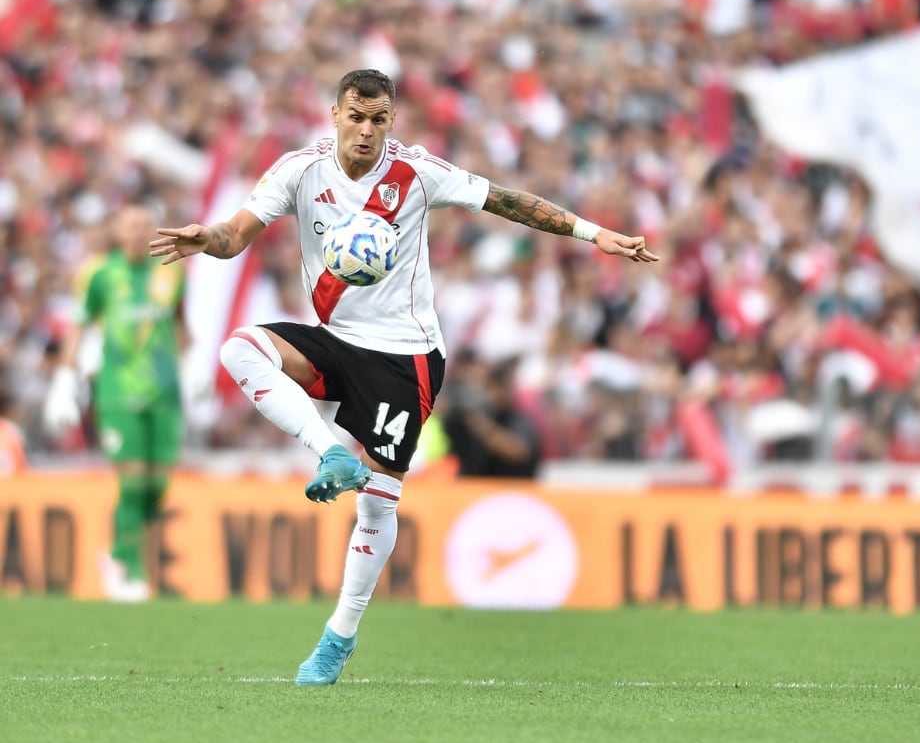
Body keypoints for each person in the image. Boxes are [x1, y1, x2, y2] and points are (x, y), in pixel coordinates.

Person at [150, 69, 657, 686]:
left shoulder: (416, 172)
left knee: (376, 503)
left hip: (406, 356)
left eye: (379, 119)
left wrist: (593, 232)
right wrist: (208, 239)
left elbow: (506, 201)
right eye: (356, 116)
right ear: (335, 113)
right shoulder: (299, 171)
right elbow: (235, 235)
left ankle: (338, 638)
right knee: (239, 349)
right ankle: (331, 452)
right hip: (340, 342)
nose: (366, 129)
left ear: (392, 120)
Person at [44, 204, 189, 602]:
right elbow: (79, 325)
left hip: (166, 393)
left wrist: (193, 366)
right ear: (116, 231)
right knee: (132, 480)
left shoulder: (172, 271)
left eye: (144, 225)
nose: (137, 232)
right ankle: (130, 566)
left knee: (157, 485)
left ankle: (116, 554)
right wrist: (64, 378)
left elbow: (178, 323)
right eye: (130, 226)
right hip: (118, 391)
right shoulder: (100, 275)